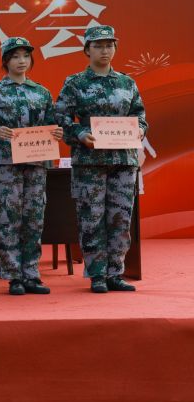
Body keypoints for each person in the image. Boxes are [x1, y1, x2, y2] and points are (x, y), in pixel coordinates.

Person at [55, 25, 147, 293]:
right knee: (91, 218)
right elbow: (59, 118)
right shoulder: (75, 83)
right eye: (98, 46)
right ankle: (97, 274)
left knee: (120, 218)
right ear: (87, 50)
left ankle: (115, 273)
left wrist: (141, 129)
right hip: (89, 162)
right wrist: (79, 134)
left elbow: (140, 114)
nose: (104, 51)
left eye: (109, 45)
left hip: (123, 160)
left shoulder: (127, 83)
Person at [0, 37, 62, 295]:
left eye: (25, 56)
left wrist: (57, 132)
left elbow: (52, 123)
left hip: (36, 161)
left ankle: (32, 274)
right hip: (6, 163)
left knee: (34, 218)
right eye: (15, 56)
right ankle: (13, 275)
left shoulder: (41, 92)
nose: (21, 61)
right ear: (5, 61)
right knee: (9, 218)